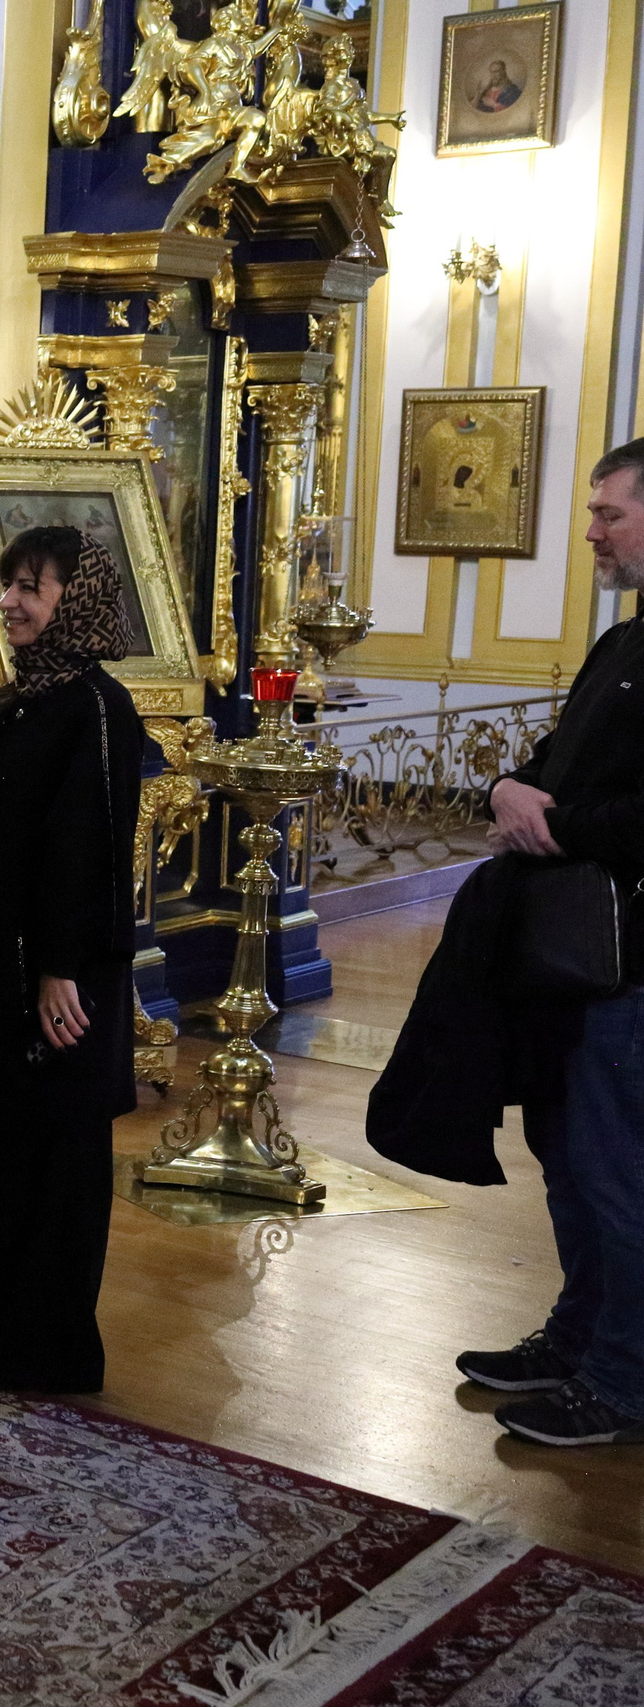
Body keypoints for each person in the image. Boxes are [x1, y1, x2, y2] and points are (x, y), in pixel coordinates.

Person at [402, 439, 644, 1448]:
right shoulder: (621, 646)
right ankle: (578, 1341)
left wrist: (560, 822)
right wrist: (506, 789)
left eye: (608, 514)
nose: (589, 531)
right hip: (563, 958)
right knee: (567, 1160)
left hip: (629, 961)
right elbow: (547, 762)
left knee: (616, 1173)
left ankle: (624, 1384)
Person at [0, 525, 142, 1396]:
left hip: (51, 982)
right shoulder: (17, 698)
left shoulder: (95, 707)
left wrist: (60, 967)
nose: (11, 600)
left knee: (50, 1162)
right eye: (10, 582)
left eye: (33, 587)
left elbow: (86, 847)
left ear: (74, 603)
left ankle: (43, 1347)